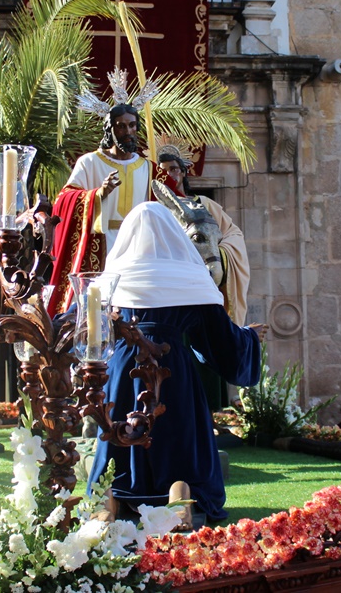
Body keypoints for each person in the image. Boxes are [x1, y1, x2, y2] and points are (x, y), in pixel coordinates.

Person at [86, 202, 266, 525]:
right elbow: (219, 340)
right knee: (177, 436)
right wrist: (249, 338)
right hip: (172, 367)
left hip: (123, 369)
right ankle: (179, 488)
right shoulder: (190, 278)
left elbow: (87, 330)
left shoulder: (111, 278)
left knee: (119, 435)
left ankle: (110, 497)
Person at [49, 98, 169, 314]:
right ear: (110, 129)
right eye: (121, 126)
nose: (128, 131)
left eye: (132, 125)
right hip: (101, 244)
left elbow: (172, 204)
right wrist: (97, 195)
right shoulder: (90, 162)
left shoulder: (148, 168)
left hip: (137, 247)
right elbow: (63, 200)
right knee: (97, 306)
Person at [157, 143, 251, 326]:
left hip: (202, 277)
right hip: (171, 281)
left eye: (174, 169)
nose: (169, 174)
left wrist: (220, 255)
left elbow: (234, 234)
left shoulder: (203, 204)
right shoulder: (156, 209)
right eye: (163, 171)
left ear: (183, 172)